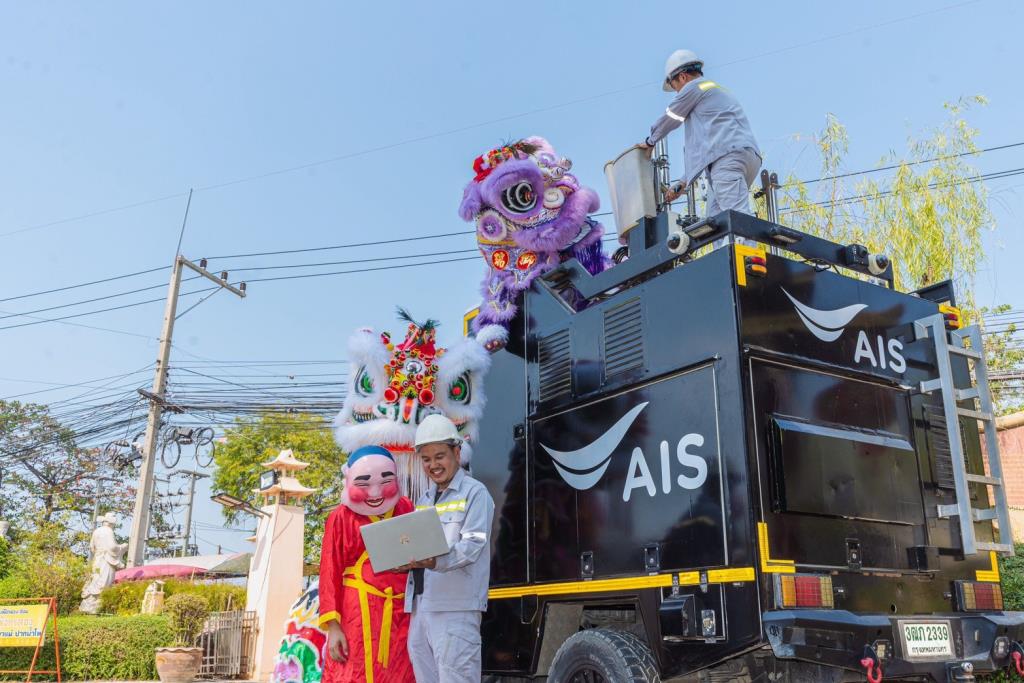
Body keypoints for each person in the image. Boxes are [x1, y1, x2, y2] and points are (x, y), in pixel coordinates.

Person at [403, 414, 495, 683]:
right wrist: (404, 560)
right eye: (426, 459)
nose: (433, 465)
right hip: (421, 607)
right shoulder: (424, 500)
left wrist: (435, 561)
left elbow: (473, 544)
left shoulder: (475, 493)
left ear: (457, 452)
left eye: (439, 456)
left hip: (456, 609)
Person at [318, 445, 415, 683]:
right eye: (364, 483)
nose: (375, 492)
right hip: (357, 615)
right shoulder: (340, 517)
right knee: (356, 672)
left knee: (403, 672)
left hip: (402, 614)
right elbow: (329, 572)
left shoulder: (406, 508)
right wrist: (333, 626)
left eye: (385, 481)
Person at [641, 49, 761, 216]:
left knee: (736, 215)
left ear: (682, 77)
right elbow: (704, 151)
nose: (677, 93)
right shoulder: (713, 90)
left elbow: (671, 117)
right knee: (716, 218)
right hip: (746, 156)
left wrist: (650, 141)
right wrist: (683, 182)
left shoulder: (694, 87)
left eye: (675, 87)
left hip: (727, 159)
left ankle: (741, 233)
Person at [79, 512, 128, 614]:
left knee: (95, 579)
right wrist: (122, 547)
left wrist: (99, 552)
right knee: (104, 582)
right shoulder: (108, 531)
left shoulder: (96, 531)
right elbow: (112, 547)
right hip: (106, 560)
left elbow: (92, 547)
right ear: (111, 523)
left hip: (97, 558)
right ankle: (95, 607)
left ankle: (87, 605)